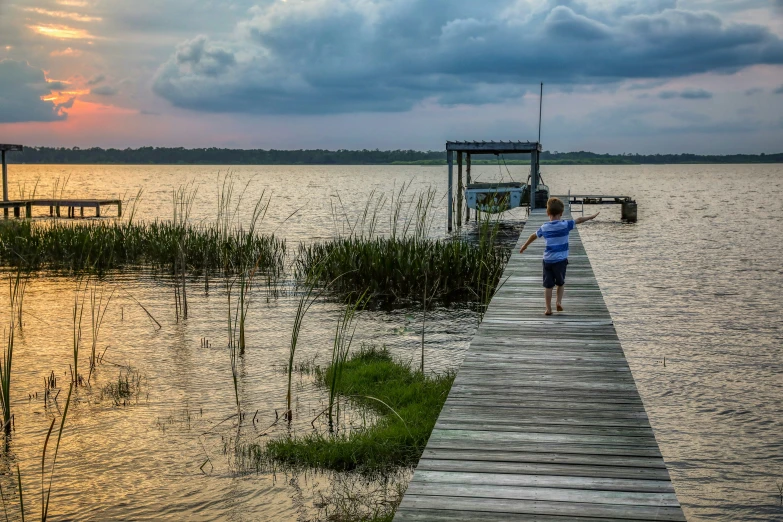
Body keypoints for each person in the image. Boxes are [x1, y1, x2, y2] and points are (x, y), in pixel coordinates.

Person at [518, 197, 599, 315]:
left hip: (548, 260)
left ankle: (548, 309)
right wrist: (591, 217)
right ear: (561, 213)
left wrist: (525, 245)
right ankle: (559, 302)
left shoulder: (544, 227)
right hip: (560, 261)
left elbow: (533, 236)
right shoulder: (565, 225)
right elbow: (580, 219)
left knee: (548, 286)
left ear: (547, 213)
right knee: (560, 283)